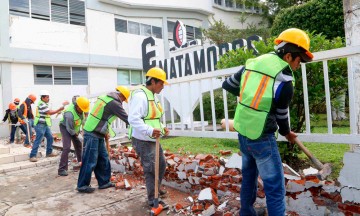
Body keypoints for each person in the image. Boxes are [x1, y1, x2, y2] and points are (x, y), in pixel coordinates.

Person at [222, 28, 313, 216]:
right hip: (262, 137)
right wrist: (287, 133)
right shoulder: (285, 79)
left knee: (248, 178)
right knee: (275, 188)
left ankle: (246, 213)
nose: (299, 65)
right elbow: (281, 114)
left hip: (244, 133)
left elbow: (228, 84)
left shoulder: (255, 62)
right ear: (288, 56)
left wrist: (251, 95)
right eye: (299, 61)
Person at [128, 67, 170, 208]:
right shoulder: (141, 96)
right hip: (143, 139)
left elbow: (154, 117)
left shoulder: (152, 95)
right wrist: (150, 130)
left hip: (152, 138)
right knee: (151, 168)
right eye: (161, 83)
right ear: (152, 81)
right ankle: (153, 199)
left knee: (161, 165)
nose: (163, 87)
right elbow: (133, 119)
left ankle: (156, 190)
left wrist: (162, 127)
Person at [77, 86, 130, 193]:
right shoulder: (114, 103)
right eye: (124, 99)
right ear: (121, 96)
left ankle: (104, 182)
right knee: (90, 160)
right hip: (92, 132)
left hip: (97, 132)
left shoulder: (106, 97)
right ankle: (82, 185)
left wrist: (106, 131)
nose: (123, 101)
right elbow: (127, 118)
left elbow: (103, 117)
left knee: (103, 158)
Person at [29, 90, 69, 162]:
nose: (48, 98)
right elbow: (50, 112)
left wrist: (57, 110)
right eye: (47, 97)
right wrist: (59, 109)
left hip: (44, 124)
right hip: (40, 125)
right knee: (38, 140)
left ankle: (49, 152)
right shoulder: (42, 104)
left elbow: (49, 111)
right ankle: (32, 156)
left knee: (50, 137)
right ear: (43, 98)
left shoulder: (44, 104)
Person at [58, 96, 90, 176]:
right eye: (82, 109)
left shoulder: (82, 108)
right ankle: (62, 169)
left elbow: (83, 121)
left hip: (74, 128)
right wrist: (78, 135)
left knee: (78, 145)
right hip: (65, 127)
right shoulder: (69, 114)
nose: (84, 111)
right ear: (77, 106)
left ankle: (81, 163)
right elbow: (70, 129)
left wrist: (83, 131)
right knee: (67, 147)